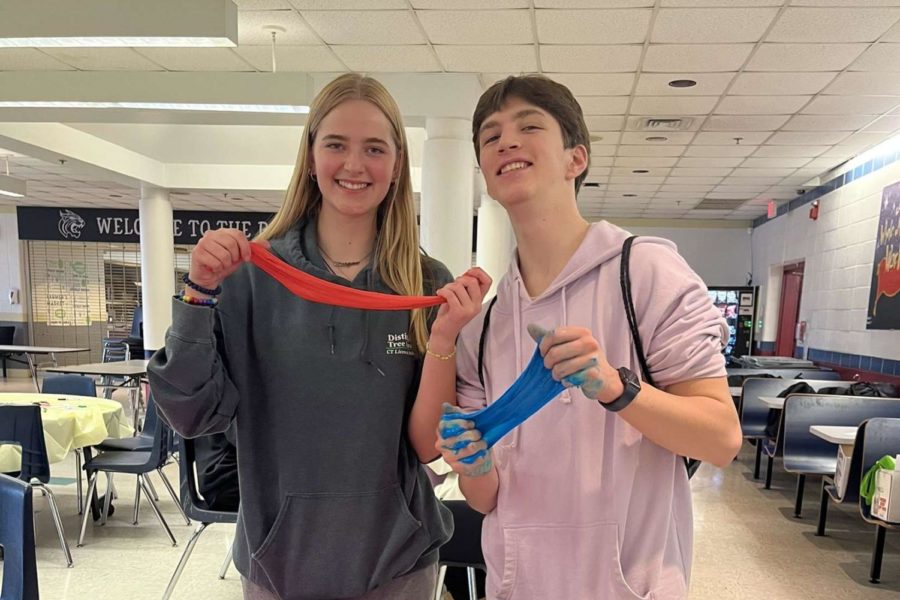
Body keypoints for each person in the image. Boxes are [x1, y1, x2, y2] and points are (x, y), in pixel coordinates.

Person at [148, 73, 490, 600]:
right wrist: (197, 295)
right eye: (336, 145)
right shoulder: (248, 279)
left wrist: (446, 337)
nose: (354, 165)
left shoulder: (426, 285)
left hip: (397, 564)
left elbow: (426, 447)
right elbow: (191, 415)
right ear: (310, 157)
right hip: (279, 565)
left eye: (374, 148)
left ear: (396, 166)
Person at [434, 75, 743, 599]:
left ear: (576, 159)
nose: (506, 141)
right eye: (490, 136)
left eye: (529, 126)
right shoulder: (483, 328)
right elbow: (485, 500)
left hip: (630, 583)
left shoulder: (643, 273)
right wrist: (474, 464)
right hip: (519, 585)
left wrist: (614, 387)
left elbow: (721, 438)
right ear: (486, 174)